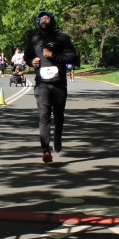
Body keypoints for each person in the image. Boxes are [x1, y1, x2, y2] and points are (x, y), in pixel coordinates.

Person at [25, 10, 80, 163]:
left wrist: (53, 55)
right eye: (41, 18)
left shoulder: (61, 38)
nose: (44, 20)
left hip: (59, 83)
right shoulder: (34, 39)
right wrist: (32, 62)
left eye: (46, 18)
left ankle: (57, 137)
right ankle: (46, 150)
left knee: (58, 115)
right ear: (37, 22)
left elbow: (73, 57)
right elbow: (27, 56)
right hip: (41, 84)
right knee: (44, 116)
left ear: (52, 20)